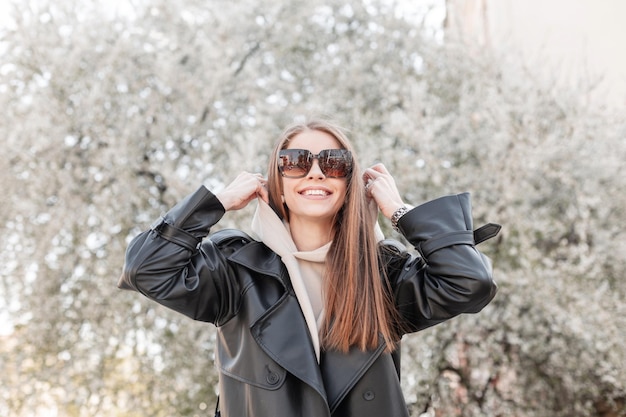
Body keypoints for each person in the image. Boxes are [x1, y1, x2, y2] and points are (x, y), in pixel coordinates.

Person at [118, 117, 500, 417]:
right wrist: (215, 202)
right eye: (296, 162)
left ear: (350, 183)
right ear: (277, 181)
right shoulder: (236, 268)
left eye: (334, 163)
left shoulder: (384, 273)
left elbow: (469, 282)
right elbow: (146, 268)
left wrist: (401, 213)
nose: (316, 172)